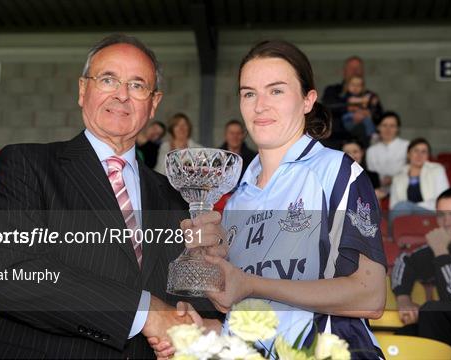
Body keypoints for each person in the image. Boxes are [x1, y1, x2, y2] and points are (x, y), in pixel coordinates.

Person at [0, 34, 222, 359]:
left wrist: (207, 316)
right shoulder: (27, 164)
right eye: (108, 79)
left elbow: (191, 297)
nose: (121, 95)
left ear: (153, 103)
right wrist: (145, 313)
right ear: (82, 90)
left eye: (137, 85)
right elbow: (13, 274)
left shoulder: (175, 198)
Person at [152, 40, 387, 359]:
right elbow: (237, 307)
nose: (259, 105)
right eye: (249, 93)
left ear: (308, 100)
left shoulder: (336, 171)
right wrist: (211, 328)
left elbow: (370, 297)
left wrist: (250, 283)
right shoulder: (236, 200)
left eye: (276, 90)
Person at [391, 187, 451, 349]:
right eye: (441, 215)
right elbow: (404, 261)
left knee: (432, 309)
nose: (446, 223)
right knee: (405, 334)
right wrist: (403, 299)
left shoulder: (440, 247)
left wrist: (441, 253)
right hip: (450, 330)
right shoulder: (439, 246)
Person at [321, 56, 382, 150]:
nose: (355, 71)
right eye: (351, 68)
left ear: (362, 72)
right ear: (344, 72)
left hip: (362, 144)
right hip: (335, 142)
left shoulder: (369, 95)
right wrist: (348, 108)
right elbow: (326, 108)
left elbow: (379, 116)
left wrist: (368, 113)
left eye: (358, 68)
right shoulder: (332, 91)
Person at [389, 138, 449, 221]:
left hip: (431, 212)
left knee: (402, 206)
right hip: (404, 215)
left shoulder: (437, 170)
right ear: (408, 154)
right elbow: (393, 205)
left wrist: (413, 207)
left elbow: (443, 199)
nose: (419, 155)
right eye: (416, 151)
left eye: (423, 152)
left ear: (428, 156)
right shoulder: (398, 176)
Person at [366, 111, 409, 190]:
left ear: (397, 128)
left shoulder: (407, 146)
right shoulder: (371, 151)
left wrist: (393, 179)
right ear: (378, 127)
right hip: (378, 190)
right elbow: (371, 174)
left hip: (402, 188)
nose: (388, 129)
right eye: (384, 125)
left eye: (392, 126)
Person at [340, 75, 381, 146]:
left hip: (361, 121)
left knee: (368, 119)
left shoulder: (363, 96)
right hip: (348, 120)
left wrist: (372, 101)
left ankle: (372, 134)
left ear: (362, 88)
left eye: (358, 85)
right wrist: (365, 99)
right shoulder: (347, 96)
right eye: (353, 85)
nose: (355, 87)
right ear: (347, 86)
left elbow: (367, 108)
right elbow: (351, 101)